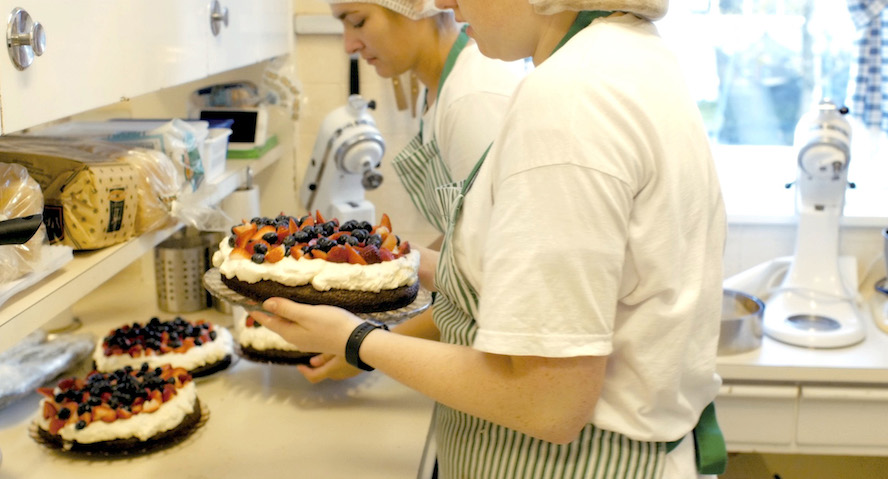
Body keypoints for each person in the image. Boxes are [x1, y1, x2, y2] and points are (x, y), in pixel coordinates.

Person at [252, 0, 728, 478]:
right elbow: (537, 277)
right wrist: (393, 262)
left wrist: (356, 341)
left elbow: (548, 403)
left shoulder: (569, 97)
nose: (441, 3)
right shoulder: (629, 57)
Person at [295, 0, 527, 383]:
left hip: (500, 365)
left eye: (358, 21)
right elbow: (463, 236)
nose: (349, 45)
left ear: (416, 7)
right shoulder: (439, 89)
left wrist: (364, 347)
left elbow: (490, 281)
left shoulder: (473, 99)